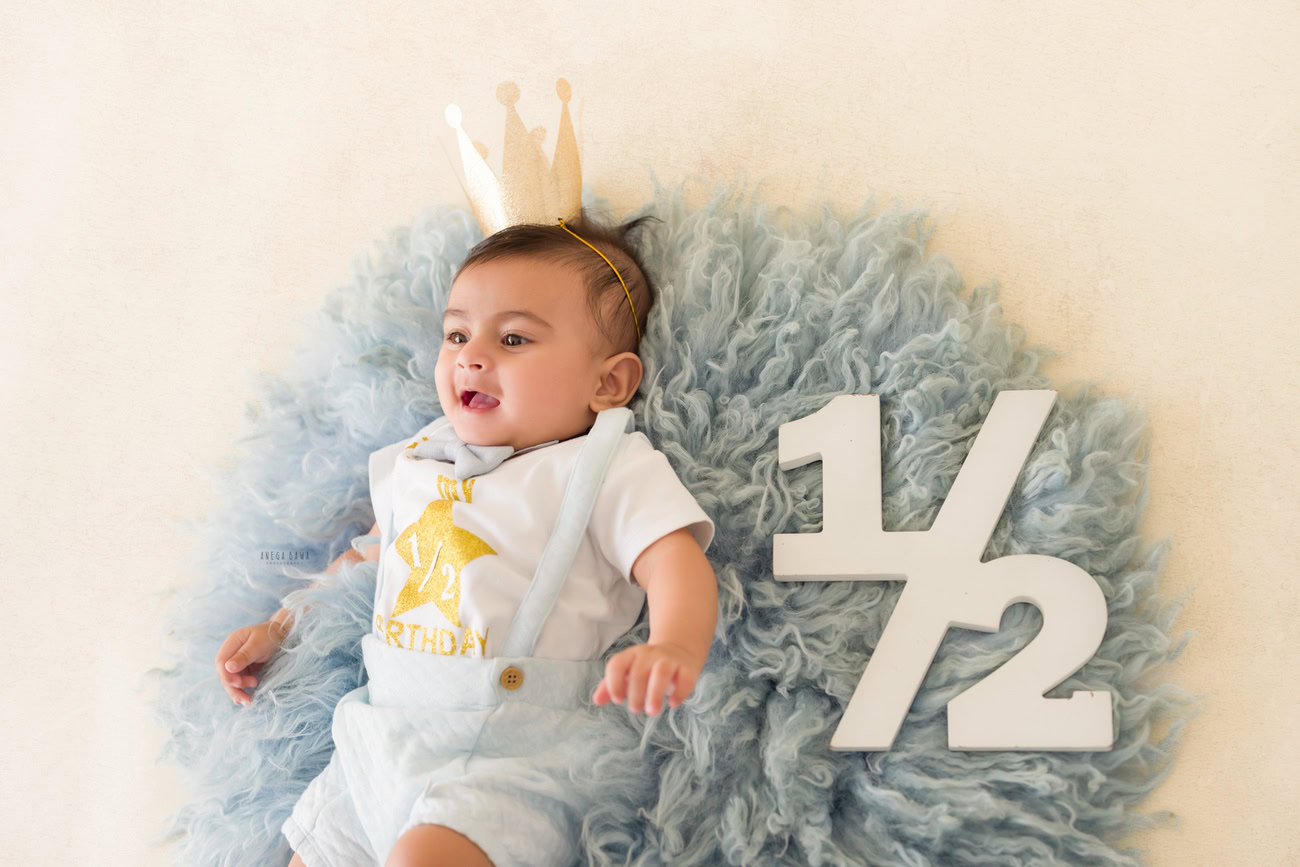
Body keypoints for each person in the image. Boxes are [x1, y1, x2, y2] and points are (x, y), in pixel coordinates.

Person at [214, 213, 718, 867]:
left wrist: (673, 643)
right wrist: (282, 625)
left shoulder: (602, 466)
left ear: (608, 383)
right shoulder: (419, 459)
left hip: (506, 753)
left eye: (513, 338)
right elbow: (365, 555)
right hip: (376, 738)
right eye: (456, 334)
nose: (471, 356)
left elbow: (673, 558)